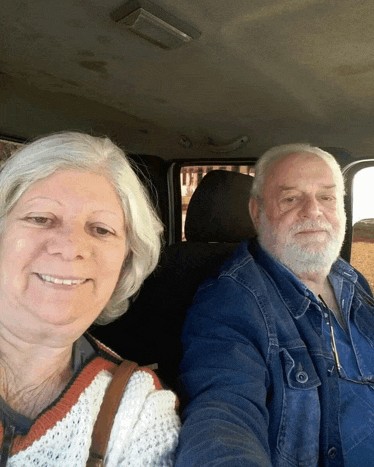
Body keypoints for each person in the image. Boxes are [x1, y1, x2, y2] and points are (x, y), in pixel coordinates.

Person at [175, 143, 374, 467]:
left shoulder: (348, 277)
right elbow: (222, 418)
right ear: (257, 211)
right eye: (291, 198)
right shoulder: (230, 305)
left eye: (327, 197)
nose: (314, 211)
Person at [0, 132, 180, 466]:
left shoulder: (139, 411)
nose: (69, 247)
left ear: (126, 261)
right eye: (41, 219)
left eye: (101, 229)